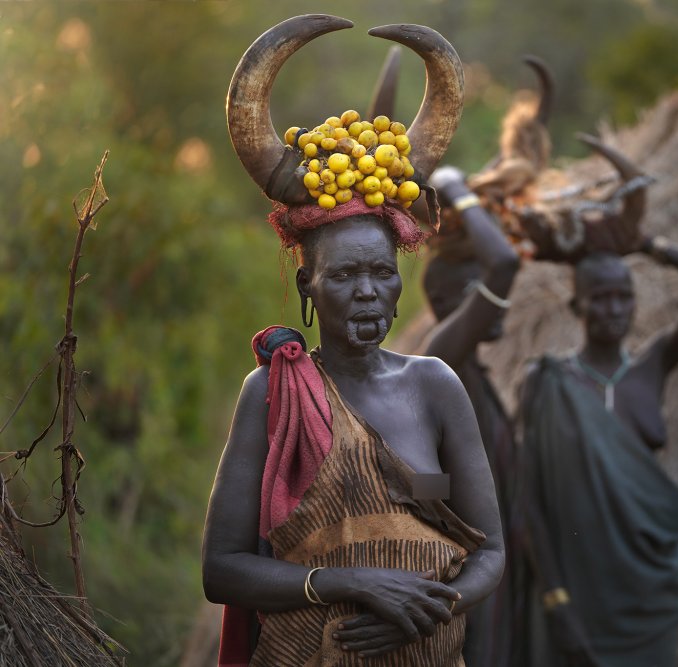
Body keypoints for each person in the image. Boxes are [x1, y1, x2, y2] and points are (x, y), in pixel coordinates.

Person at [202, 15, 503, 666]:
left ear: (400, 284)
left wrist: (427, 609)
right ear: (308, 284)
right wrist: (344, 583)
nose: (367, 291)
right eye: (343, 275)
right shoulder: (273, 394)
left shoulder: (435, 387)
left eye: (381, 273)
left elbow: (491, 553)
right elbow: (220, 569)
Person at [518, 237, 678, 667]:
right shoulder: (547, 382)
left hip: (649, 595)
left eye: (625, 297)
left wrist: (648, 245)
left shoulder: (650, 367)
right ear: (576, 307)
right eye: (600, 298)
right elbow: (528, 500)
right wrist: (555, 597)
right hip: (578, 594)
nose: (615, 309)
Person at [420, 166, 523, 667]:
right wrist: (455, 186)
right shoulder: (443, 357)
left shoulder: (474, 374)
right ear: (441, 302)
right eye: (474, 289)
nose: (493, 300)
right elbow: (504, 261)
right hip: (455, 577)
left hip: (485, 575)